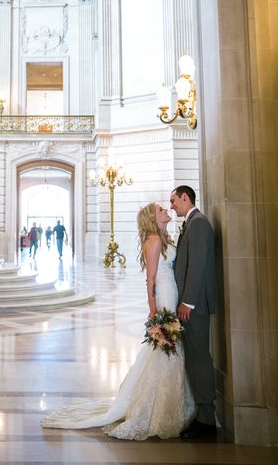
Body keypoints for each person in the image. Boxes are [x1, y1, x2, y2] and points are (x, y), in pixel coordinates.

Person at [42, 203, 195, 439]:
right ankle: (155, 407)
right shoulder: (154, 240)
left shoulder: (164, 238)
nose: (167, 211)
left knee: (166, 350)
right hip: (163, 296)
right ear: (153, 218)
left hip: (171, 292)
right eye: (161, 210)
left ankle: (165, 402)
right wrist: (153, 310)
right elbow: (150, 279)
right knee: (165, 348)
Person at [170, 185, 217, 439]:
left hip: (194, 308)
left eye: (173, 200)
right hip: (192, 306)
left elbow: (197, 266)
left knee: (199, 359)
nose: (171, 206)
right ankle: (202, 414)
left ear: (185, 197)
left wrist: (187, 302)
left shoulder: (197, 224)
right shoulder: (192, 223)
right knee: (196, 358)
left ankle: (207, 419)